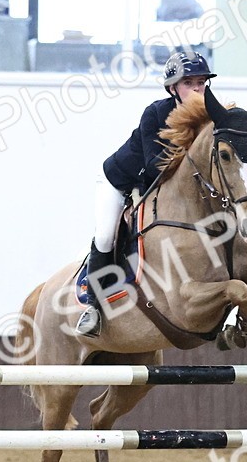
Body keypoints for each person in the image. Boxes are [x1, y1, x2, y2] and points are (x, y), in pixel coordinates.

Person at [75, 50, 216, 337]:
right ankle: (93, 307)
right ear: (172, 87)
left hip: (162, 188)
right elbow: (154, 167)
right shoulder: (156, 113)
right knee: (105, 235)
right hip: (121, 182)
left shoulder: (211, 116)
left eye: (202, 82)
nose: (198, 88)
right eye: (190, 83)